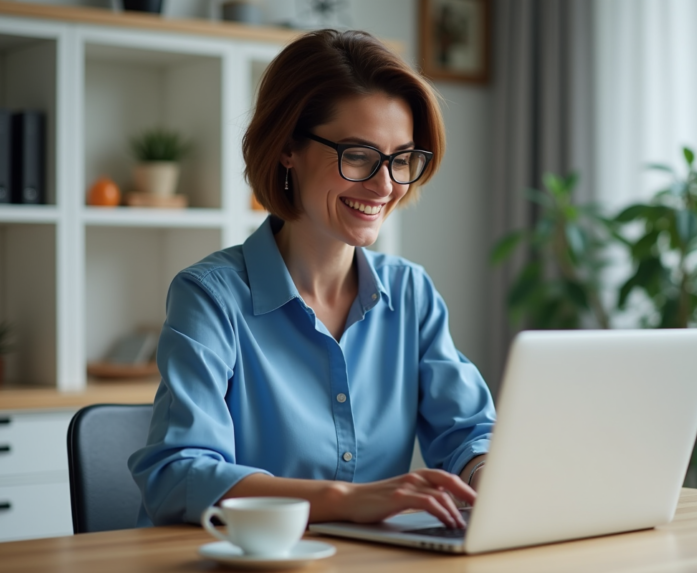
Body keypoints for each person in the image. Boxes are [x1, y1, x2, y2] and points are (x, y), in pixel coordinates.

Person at [128, 29, 496, 531]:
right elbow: (178, 476)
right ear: (287, 149)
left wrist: (486, 472)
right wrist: (346, 499)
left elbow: (467, 431)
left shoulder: (411, 294)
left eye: (401, 158)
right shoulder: (210, 298)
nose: (385, 185)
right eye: (359, 155)